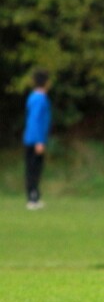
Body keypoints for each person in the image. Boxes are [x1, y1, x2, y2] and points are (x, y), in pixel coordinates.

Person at [23, 69, 51, 210]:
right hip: (34, 140)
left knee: (34, 168)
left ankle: (35, 197)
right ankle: (32, 198)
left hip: (31, 138)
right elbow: (35, 121)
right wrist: (39, 141)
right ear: (45, 82)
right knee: (33, 169)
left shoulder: (34, 97)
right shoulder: (39, 99)